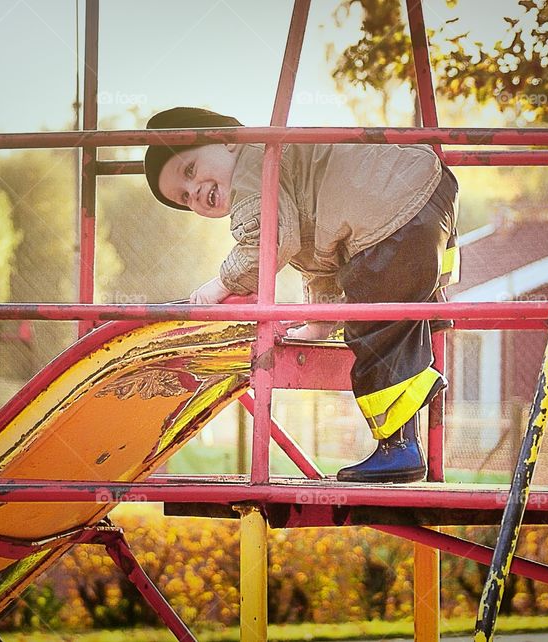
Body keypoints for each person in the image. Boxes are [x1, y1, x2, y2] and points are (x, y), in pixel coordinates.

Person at [144, 107, 459, 483]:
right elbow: (325, 259)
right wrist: (319, 325)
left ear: (226, 139)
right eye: (183, 199)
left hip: (392, 212)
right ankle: (417, 391)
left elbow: (267, 244)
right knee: (394, 311)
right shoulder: (288, 171)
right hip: (426, 194)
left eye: (190, 170)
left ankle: (399, 450)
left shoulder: (252, 164)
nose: (194, 192)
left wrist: (220, 285)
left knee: (372, 329)